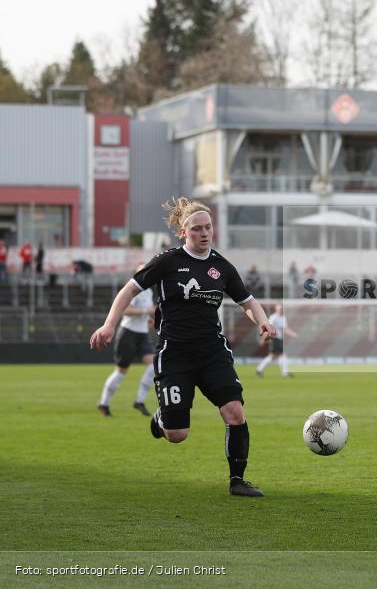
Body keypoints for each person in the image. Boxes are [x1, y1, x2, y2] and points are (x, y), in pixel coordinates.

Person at [89, 197, 275, 498]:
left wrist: (263, 321)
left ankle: (237, 480)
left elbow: (247, 301)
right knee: (177, 435)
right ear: (183, 233)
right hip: (174, 354)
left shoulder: (221, 266)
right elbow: (129, 289)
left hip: (213, 352)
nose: (204, 233)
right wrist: (110, 324)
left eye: (208, 227)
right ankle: (162, 418)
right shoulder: (167, 262)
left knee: (234, 412)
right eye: (197, 229)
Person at [97, 263, 157, 417]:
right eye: (141, 271)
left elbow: (145, 312)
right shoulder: (133, 289)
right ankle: (103, 403)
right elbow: (126, 311)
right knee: (121, 371)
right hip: (128, 333)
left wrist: (148, 319)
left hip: (142, 334)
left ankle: (139, 401)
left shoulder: (149, 291)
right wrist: (146, 311)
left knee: (153, 366)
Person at [256, 303, 297, 378]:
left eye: (282, 309)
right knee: (282, 355)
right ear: (276, 309)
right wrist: (263, 339)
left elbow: (285, 329)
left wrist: (293, 334)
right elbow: (267, 328)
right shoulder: (273, 317)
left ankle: (259, 370)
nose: (281, 310)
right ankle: (285, 373)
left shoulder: (283, 318)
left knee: (273, 356)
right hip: (274, 338)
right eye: (280, 309)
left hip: (279, 339)